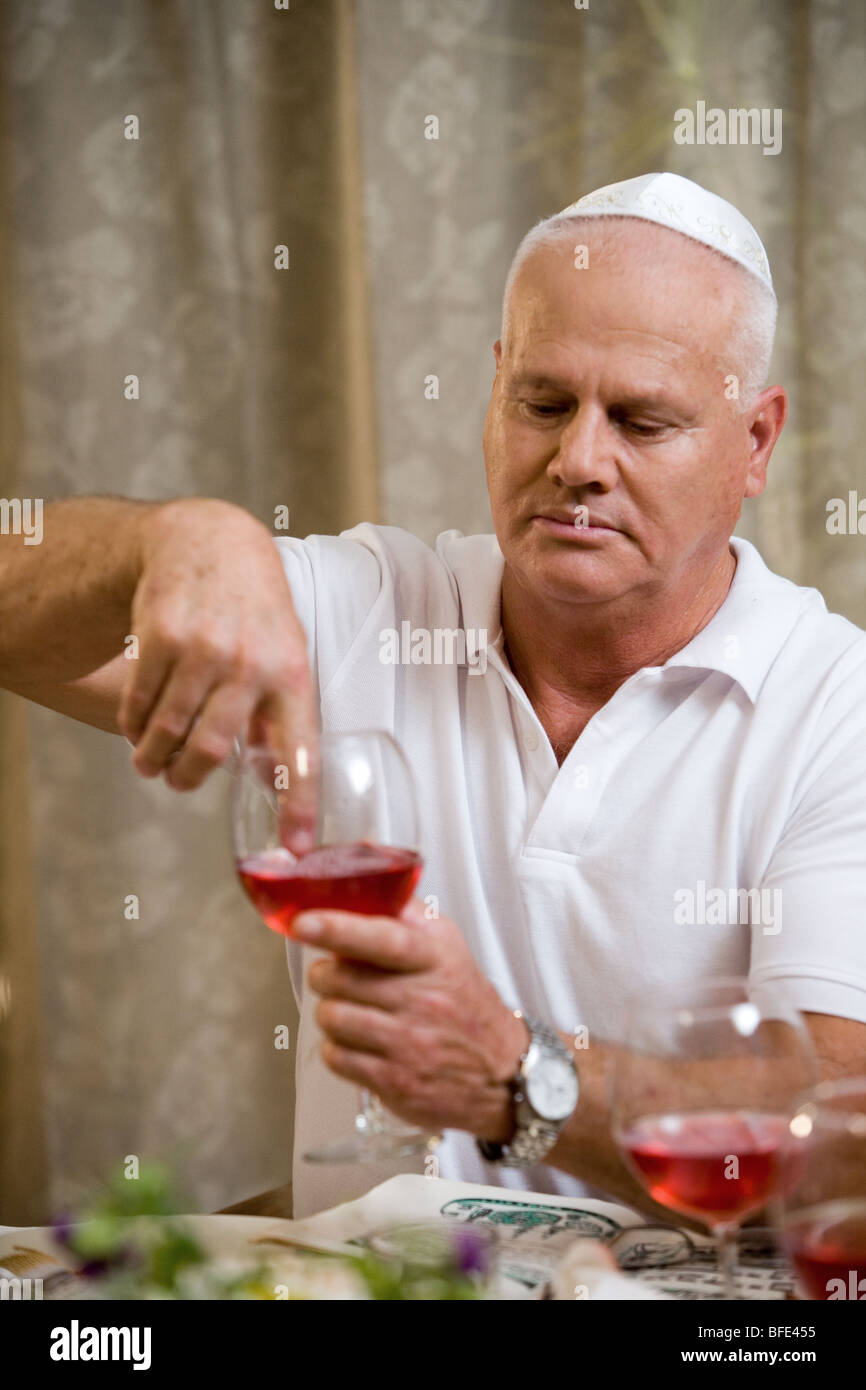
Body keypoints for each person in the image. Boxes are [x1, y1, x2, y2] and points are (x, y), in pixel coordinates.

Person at [2, 173, 865, 1221]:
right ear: (494, 388)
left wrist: (517, 1077)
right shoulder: (371, 605)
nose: (576, 460)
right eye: (542, 402)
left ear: (754, 442)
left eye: (641, 421)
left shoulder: (834, 707)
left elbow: (835, 1147)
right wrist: (169, 540)